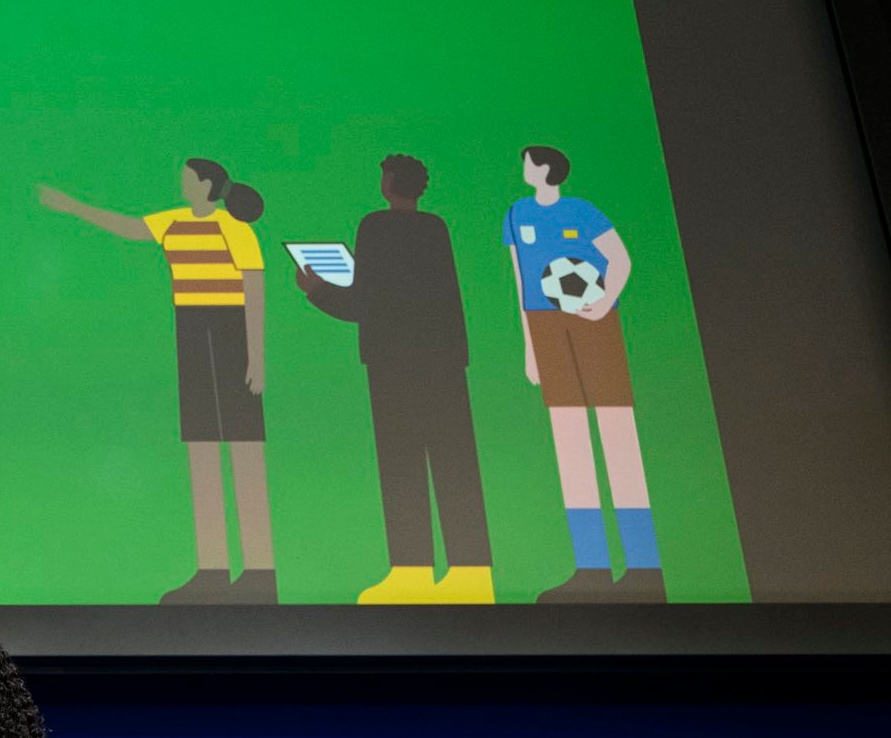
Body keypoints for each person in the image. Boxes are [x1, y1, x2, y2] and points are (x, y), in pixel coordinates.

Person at [41, 161, 277, 602]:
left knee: (245, 452)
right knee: (202, 450)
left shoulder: (236, 229)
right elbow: (129, 228)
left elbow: (255, 291)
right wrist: (74, 208)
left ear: (206, 185)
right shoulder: (173, 222)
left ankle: (260, 571)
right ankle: (214, 569)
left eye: (189, 179)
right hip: (191, 333)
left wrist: (257, 358)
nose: (183, 185)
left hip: (232, 337)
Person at [296, 153, 494, 603]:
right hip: (444, 361)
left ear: (389, 184)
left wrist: (316, 291)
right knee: (455, 458)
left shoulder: (375, 227)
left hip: (392, 362)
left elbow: (366, 301)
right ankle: (473, 574)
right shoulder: (436, 228)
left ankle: (412, 573)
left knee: (401, 462)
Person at [503, 144, 664, 601]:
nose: (526, 168)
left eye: (531, 162)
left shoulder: (583, 211)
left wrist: (604, 301)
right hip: (545, 326)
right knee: (570, 439)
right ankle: (592, 566)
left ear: (549, 169)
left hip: (594, 324)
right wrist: (530, 348)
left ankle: (644, 568)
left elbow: (621, 259)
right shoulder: (515, 215)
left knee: (617, 432)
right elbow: (521, 282)